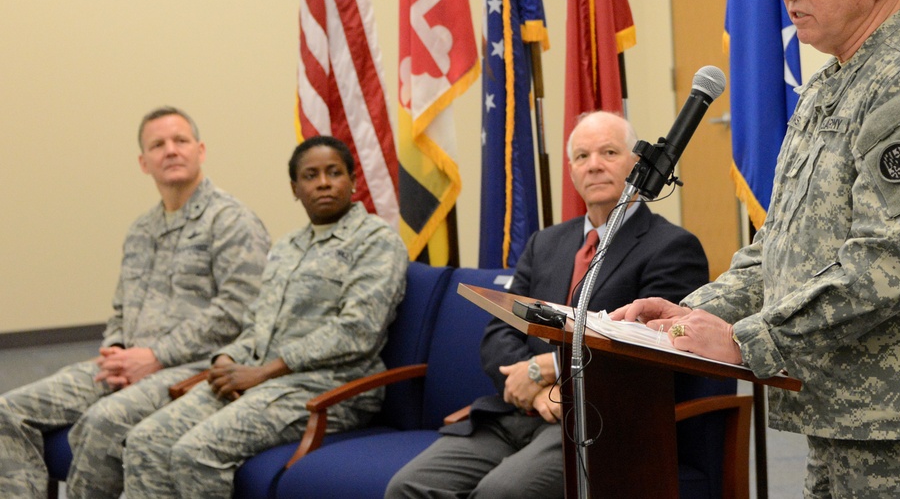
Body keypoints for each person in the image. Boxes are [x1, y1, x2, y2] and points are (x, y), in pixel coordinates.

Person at [613, 0, 900, 497]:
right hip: (839, 419)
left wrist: (746, 341)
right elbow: (780, 247)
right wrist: (697, 313)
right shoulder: (829, 88)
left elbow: (886, 266)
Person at [386, 110, 710, 499]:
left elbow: (652, 345)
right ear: (571, 173)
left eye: (609, 152)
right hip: (515, 415)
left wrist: (549, 368)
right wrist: (534, 387)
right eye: (581, 157)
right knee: (409, 486)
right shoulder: (546, 243)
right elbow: (500, 329)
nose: (594, 166)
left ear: (637, 164)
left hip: (598, 421)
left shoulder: (671, 246)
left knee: (500, 494)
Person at [0, 106, 270, 499]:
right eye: (158, 145)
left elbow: (239, 309)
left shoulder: (231, 220)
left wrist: (156, 355)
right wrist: (119, 348)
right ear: (144, 163)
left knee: (101, 422)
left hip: (192, 367)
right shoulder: (141, 230)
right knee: (8, 411)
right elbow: (122, 309)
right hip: (127, 365)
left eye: (180, 141)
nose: (171, 151)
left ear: (201, 150)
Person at [122, 135, 409, 498]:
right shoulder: (288, 247)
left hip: (329, 389)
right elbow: (258, 323)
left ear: (353, 181)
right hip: (259, 378)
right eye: (310, 175)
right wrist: (227, 359)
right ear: (295, 188)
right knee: (144, 440)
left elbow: (356, 331)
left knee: (196, 453)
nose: (323, 182)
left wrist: (265, 370)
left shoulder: (376, 241)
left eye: (334, 173)